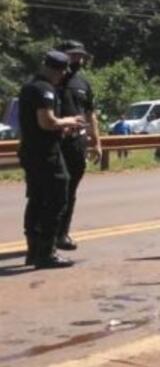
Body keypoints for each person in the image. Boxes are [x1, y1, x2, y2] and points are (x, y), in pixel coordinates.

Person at [18, 50, 85, 269]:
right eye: (63, 70)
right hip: (46, 152)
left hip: (31, 150)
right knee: (57, 197)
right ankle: (46, 253)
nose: (64, 74)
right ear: (56, 69)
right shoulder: (44, 89)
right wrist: (68, 121)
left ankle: (34, 251)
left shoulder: (30, 87)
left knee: (37, 198)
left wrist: (60, 129)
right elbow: (46, 122)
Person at [56, 40, 102, 251]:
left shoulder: (83, 83)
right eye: (73, 55)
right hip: (55, 144)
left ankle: (62, 233)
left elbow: (90, 113)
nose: (78, 59)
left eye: (81, 56)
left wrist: (96, 142)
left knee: (70, 191)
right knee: (53, 191)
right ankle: (43, 235)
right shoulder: (51, 81)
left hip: (77, 144)